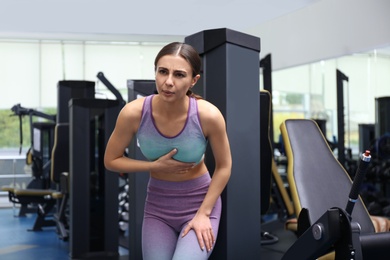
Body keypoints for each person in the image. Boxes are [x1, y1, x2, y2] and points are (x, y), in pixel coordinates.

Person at [104, 42, 232, 260]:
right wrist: (154, 166)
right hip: (157, 207)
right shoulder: (133, 113)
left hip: (199, 203)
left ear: (194, 80)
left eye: (179, 75)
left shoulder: (208, 115)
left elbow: (224, 167)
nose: (168, 82)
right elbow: (111, 160)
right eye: (163, 71)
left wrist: (204, 213)